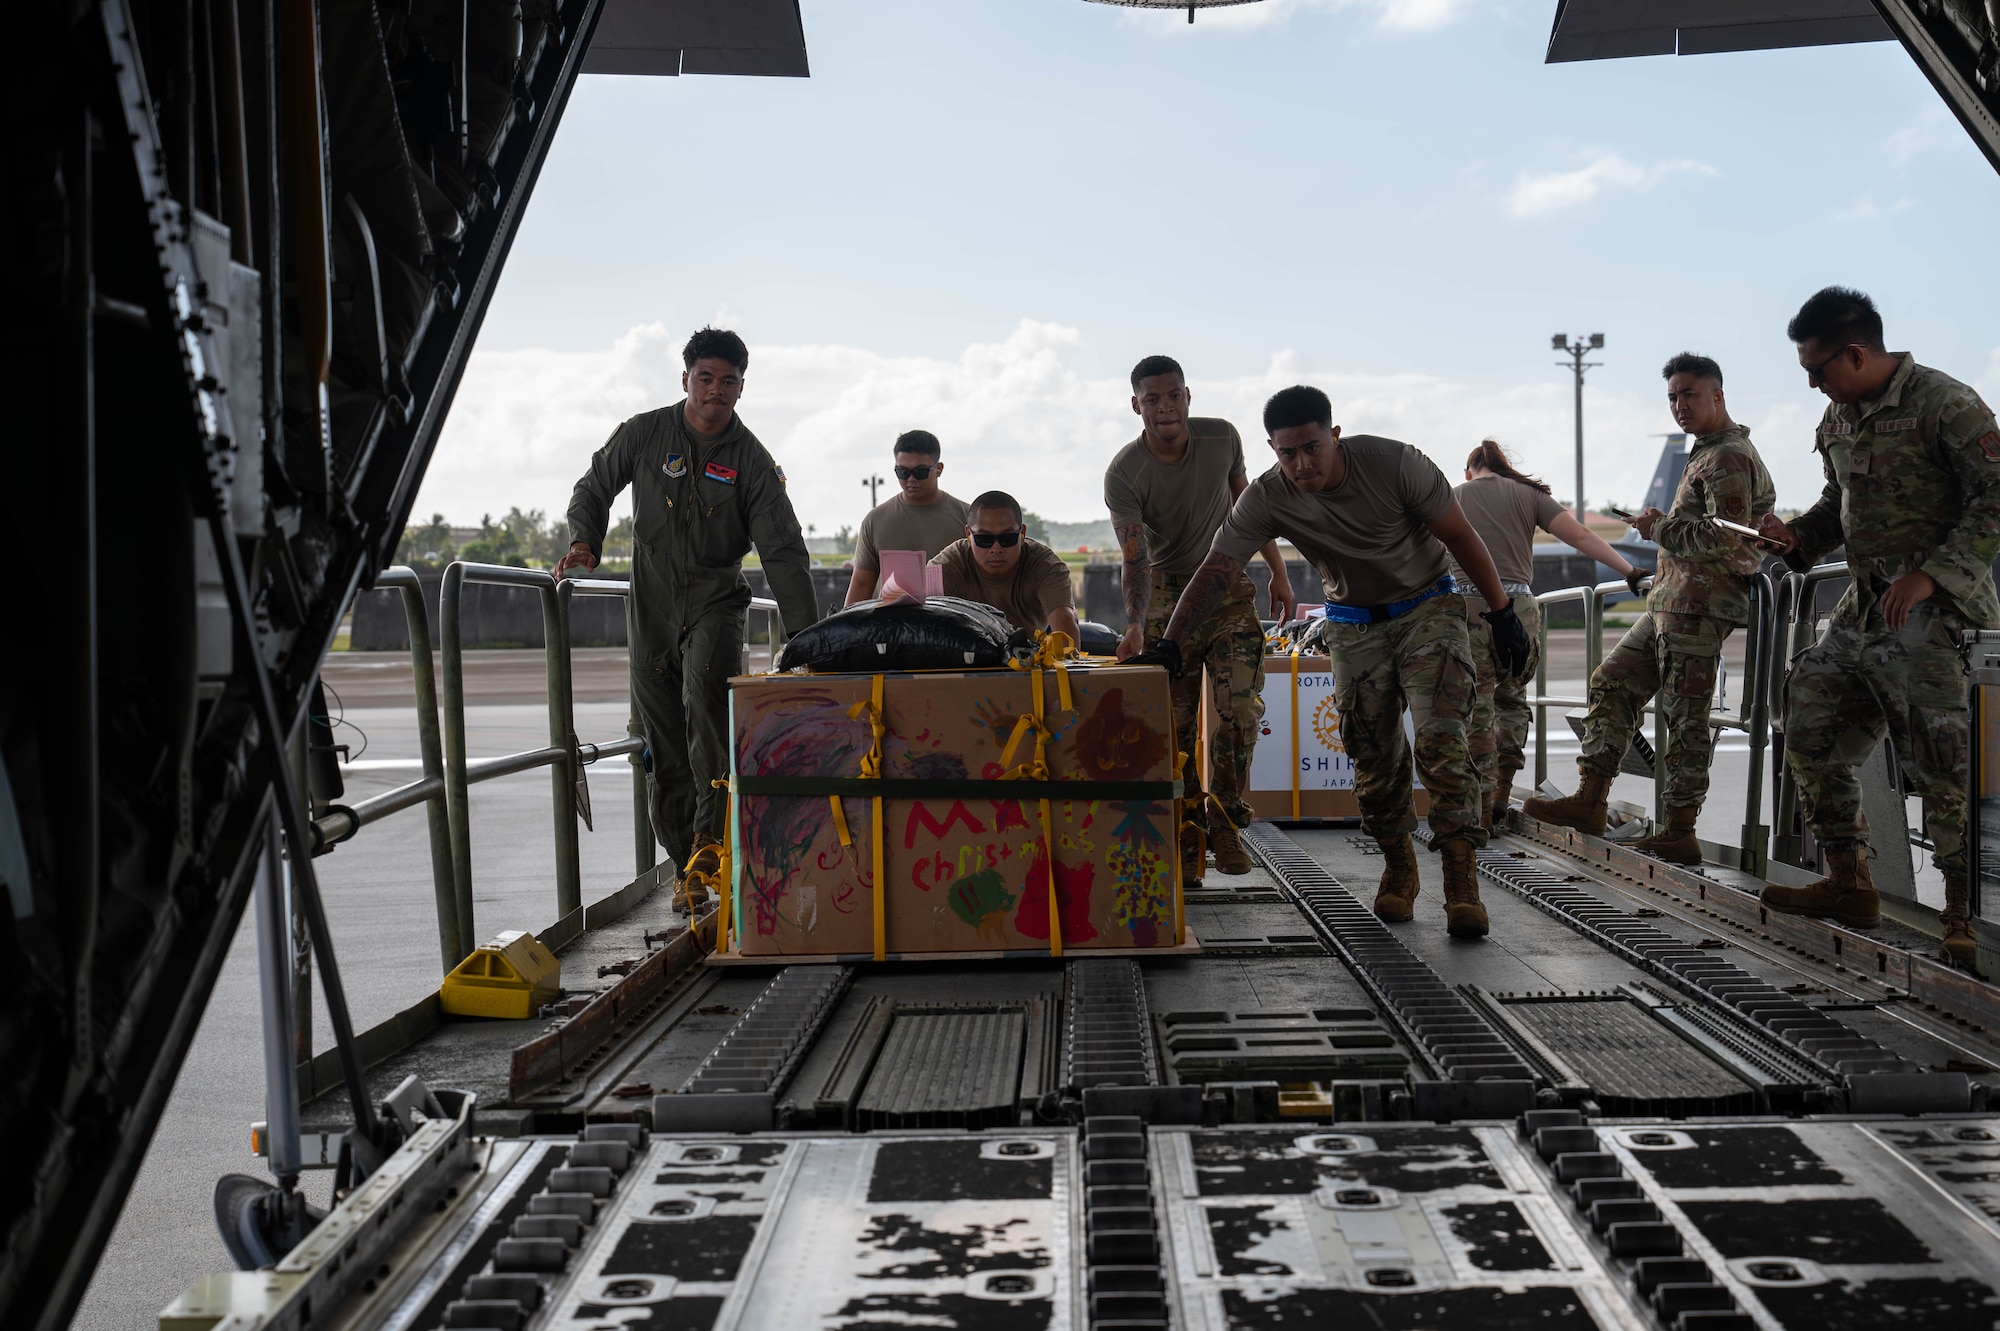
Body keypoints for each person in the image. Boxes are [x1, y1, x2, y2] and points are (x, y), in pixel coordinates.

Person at [1131, 385, 1532, 940]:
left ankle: (1461, 881)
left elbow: (1461, 537)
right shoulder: (1269, 495)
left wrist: (1503, 612)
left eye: (1311, 448)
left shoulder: (1396, 464)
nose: (1300, 464)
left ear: (1334, 435)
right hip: (1351, 622)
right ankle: (1398, 865)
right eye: (1285, 453)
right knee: (1370, 749)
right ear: (1272, 450)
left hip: (1428, 606)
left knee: (1442, 738)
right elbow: (1218, 567)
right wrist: (1172, 642)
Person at [1756, 287, 2000, 963]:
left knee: (1944, 764)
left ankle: (1960, 915)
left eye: (1818, 369)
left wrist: (1933, 574)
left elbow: (1995, 496)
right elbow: (1841, 502)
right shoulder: (1839, 416)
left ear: (1856, 352)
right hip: (1863, 613)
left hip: (1933, 616)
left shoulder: (1945, 404)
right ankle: (1848, 880)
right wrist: (1795, 537)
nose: (1811, 384)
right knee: (1807, 719)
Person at [556, 327, 819, 909]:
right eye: (706, 379)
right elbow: (594, 487)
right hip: (649, 607)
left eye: (728, 382)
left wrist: (807, 638)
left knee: (707, 709)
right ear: (686, 380)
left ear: (741, 388)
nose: (715, 392)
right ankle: (686, 868)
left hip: (716, 604)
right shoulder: (645, 434)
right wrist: (584, 544)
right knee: (664, 742)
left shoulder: (751, 460)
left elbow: (782, 548)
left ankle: (711, 849)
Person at [1524, 354, 1775, 866]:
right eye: (1673, 397)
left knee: (1686, 719)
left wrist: (1658, 527)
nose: (1680, 406)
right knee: (1611, 681)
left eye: (1690, 394)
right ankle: (1590, 801)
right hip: (1669, 601)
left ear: (1718, 395)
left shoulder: (1728, 457)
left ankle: (1680, 830)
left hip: (1698, 610)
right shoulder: (1705, 454)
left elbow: (1725, 541)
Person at [1105, 355, 1298, 879]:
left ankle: (1226, 821)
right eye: (1152, 399)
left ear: (1189, 395)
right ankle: (1188, 830)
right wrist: (1138, 622)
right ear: (1136, 405)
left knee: (1241, 710)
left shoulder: (1223, 439)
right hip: (1167, 598)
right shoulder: (1125, 473)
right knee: (1177, 725)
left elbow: (1250, 509)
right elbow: (1134, 557)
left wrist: (1278, 573)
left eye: (1174, 395)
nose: (1165, 407)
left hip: (1228, 586)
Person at [1453, 440, 1644, 828]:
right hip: (1521, 611)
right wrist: (1629, 571)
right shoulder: (1529, 494)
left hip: (1468, 612)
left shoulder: (1452, 497)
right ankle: (1503, 794)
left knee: (1478, 709)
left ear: (1468, 471)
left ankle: (1482, 805)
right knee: (1512, 702)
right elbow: (1581, 536)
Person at [930, 491, 1083, 643]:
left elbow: (1064, 625)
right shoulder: (944, 567)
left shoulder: (1046, 566)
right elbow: (925, 623)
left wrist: (1065, 660)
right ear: (968, 536)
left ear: (1022, 534)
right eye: (984, 539)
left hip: (1031, 660)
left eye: (1007, 538)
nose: (996, 549)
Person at [844, 430, 969, 604]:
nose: (911, 479)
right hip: (892, 626)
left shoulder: (967, 518)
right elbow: (862, 584)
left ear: (938, 469)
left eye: (920, 472)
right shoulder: (875, 521)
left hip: (951, 624)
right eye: (903, 472)